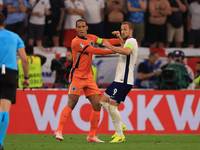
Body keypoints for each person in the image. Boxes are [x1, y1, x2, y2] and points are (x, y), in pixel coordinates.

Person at [53, 18, 121, 142]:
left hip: (89, 77)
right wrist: (114, 50)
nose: (81, 29)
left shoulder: (91, 37)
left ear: (87, 27)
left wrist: (122, 40)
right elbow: (93, 50)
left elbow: (105, 41)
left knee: (97, 105)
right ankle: (58, 130)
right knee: (72, 103)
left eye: (83, 26)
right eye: (79, 27)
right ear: (76, 29)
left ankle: (91, 136)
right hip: (77, 76)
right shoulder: (76, 42)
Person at [99, 21, 138, 143]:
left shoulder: (132, 41)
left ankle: (120, 135)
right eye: (122, 29)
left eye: (125, 29)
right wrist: (120, 38)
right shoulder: (128, 42)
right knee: (102, 101)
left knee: (112, 106)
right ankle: (120, 125)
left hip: (124, 80)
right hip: (118, 79)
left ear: (131, 31)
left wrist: (109, 46)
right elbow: (124, 48)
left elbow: (126, 51)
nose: (123, 31)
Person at [0, 13, 29, 150]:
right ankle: (0, 143)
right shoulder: (14, 36)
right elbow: (24, 59)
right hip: (10, 74)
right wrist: (26, 78)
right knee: (4, 110)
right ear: (4, 22)